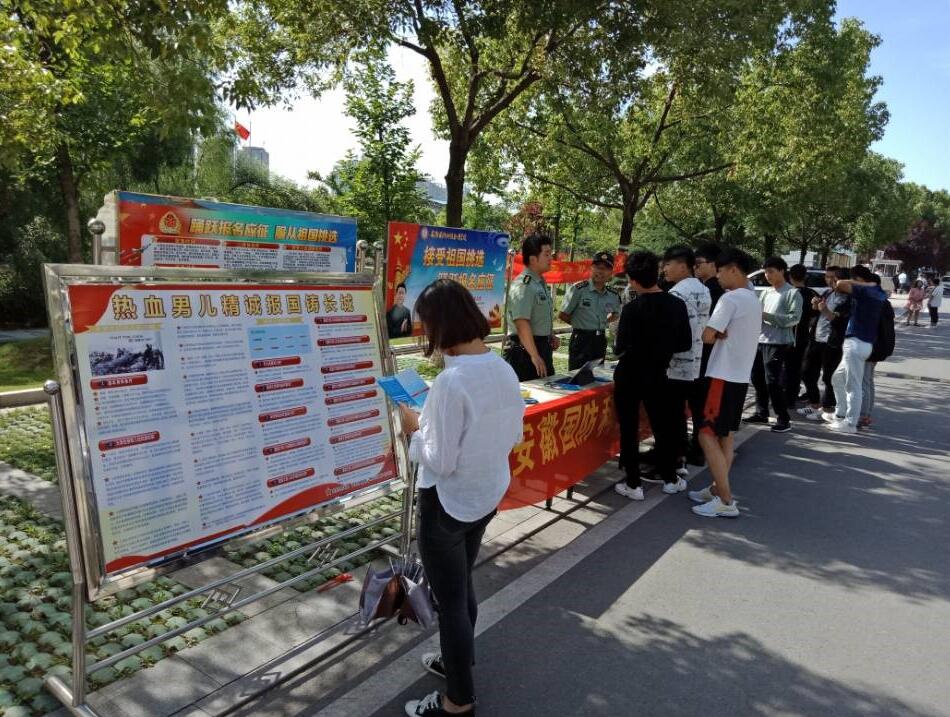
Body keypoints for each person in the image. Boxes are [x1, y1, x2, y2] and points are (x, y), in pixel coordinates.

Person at [399, 279, 525, 717]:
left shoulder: (451, 382)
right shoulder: (502, 368)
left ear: (440, 325)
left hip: (447, 505)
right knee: (461, 585)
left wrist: (414, 430)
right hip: (486, 495)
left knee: (449, 601)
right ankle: (459, 661)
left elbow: (440, 459)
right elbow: (514, 434)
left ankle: (458, 701)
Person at [612, 251, 692, 501]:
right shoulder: (677, 305)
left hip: (629, 374)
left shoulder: (632, 308)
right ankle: (670, 478)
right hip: (659, 374)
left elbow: (619, 347)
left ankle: (633, 483)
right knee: (662, 426)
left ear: (633, 280)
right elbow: (685, 343)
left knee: (629, 428)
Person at [690, 248, 762, 518]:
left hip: (722, 375)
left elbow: (707, 335)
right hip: (739, 376)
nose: (718, 276)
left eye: (720, 271)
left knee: (706, 434)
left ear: (733, 269)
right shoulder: (753, 298)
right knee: (725, 436)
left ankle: (726, 500)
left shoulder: (730, 299)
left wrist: (715, 333)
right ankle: (716, 489)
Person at [660, 245, 710, 475]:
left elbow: (672, 334)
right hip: (697, 361)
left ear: (682, 266)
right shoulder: (704, 289)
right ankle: (689, 455)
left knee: (673, 414)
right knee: (693, 412)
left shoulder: (677, 294)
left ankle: (674, 462)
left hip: (677, 364)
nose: (664, 269)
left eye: (668, 264)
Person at [824, 265, 888, 434]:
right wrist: (868, 284)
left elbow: (841, 284)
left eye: (854, 279)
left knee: (853, 386)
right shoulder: (878, 292)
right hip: (862, 344)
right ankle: (840, 414)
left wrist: (862, 283)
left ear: (860, 280)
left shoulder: (865, 291)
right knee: (837, 378)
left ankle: (850, 423)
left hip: (856, 343)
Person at [744, 257, 802, 433]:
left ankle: (783, 418)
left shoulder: (792, 293)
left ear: (782, 271)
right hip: (760, 340)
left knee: (773, 381)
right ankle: (761, 412)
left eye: (771, 271)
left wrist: (766, 316)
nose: (767, 275)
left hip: (778, 342)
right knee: (757, 378)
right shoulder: (766, 292)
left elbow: (794, 318)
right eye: (765, 272)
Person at [798, 267, 851, 421]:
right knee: (806, 371)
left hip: (833, 342)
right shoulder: (828, 293)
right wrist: (815, 306)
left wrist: (825, 310)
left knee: (829, 377)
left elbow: (840, 321)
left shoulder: (850, 299)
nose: (830, 281)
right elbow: (818, 312)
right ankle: (815, 403)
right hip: (816, 339)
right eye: (827, 277)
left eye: (834, 278)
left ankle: (828, 408)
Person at [503, 234, 557, 380]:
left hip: (540, 348)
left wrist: (549, 335)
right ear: (533, 259)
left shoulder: (539, 283)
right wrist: (534, 355)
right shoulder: (524, 285)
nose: (550, 259)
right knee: (528, 393)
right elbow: (521, 323)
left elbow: (537, 318)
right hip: (524, 353)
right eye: (546, 254)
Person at [559, 251, 621, 369]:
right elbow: (563, 314)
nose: (601, 271)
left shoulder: (612, 295)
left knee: (597, 374)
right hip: (581, 340)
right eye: (598, 267)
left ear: (611, 272)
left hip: (600, 339)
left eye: (606, 268)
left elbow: (615, 314)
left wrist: (602, 322)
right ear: (591, 268)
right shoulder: (578, 289)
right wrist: (581, 323)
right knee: (578, 375)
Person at [858, 274, 896, 429]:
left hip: (871, 347)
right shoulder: (883, 301)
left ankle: (863, 416)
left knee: (864, 381)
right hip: (877, 347)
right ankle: (866, 414)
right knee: (868, 381)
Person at [784, 264, 818, 406]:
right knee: (795, 368)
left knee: (785, 368)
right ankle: (791, 397)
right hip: (804, 335)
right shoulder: (812, 294)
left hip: (786, 335)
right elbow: (815, 316)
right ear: (806, 276)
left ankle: (785, 396)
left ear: (789, 277)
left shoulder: (787, 293)